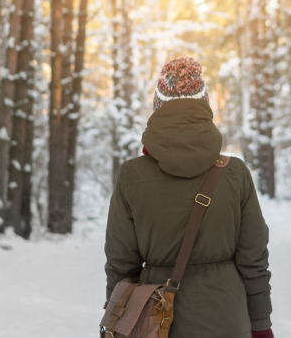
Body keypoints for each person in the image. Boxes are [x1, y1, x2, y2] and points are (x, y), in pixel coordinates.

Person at [104, 57, 274, 338]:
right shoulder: (235, 173)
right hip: (228, 321)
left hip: (155, 324)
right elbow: (254, 261)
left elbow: (121, 267)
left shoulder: (131, 176)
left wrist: (117, 324)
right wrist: (261, 324)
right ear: (205, 104)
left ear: (157, 106)